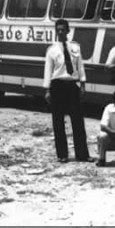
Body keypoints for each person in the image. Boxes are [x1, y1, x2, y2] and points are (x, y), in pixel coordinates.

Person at [43, 19, 93, 163]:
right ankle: (62, 155)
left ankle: (82, 154)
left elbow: (80, 67)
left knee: (77, 121)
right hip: (57, 86)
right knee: (58, 121)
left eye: (63, 30)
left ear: (68, 31)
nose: (60, 32)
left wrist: (83, 85)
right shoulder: (51, 50)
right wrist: (47, 90)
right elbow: (48, 71)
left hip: (72, 86)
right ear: (55, 31)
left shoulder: (75, 48)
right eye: (58, 30)